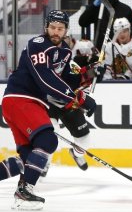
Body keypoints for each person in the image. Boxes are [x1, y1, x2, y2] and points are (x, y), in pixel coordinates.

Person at [0, 10, 97, 210]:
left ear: (66, 30)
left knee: (29, 159)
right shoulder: (38, 44)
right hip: (21, 98)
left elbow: (69, 79)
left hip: (29, 103)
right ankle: (24, 191)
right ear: (46, 28)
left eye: (60, 29)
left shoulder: (66, 52)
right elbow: (45, 78)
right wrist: (77, 98)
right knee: (48, 141)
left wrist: (91, 71)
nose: (56, 32)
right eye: (53, 27)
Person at [42, 39, 100, 176]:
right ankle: (43, 161)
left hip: (68, 105)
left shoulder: (71, 65)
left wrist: (93, 72)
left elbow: (82, 84)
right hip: (47, 104)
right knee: (50, 135)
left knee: (84, 142)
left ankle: (76, 154)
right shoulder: (42, 65)